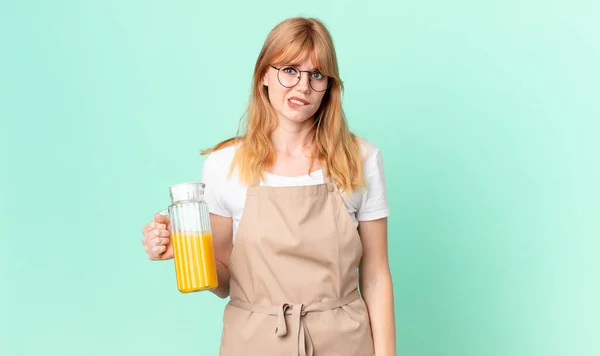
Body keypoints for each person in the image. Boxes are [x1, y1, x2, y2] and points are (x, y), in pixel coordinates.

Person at [141, 17, 396, 356]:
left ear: (329, 86)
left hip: (344, 343)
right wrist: (182, 250)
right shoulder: (223, 165)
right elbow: (225, 281)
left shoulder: (361, 159)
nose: (303, 86)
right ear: (263, 74)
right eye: (289, 70)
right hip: (253, 342)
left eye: (316, 75)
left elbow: (376, 274)